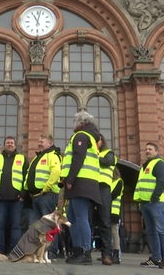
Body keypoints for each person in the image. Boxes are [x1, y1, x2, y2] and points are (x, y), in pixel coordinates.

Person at [59, 111, 101, 265]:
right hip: (84, 182)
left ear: (81, 122)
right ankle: (77, 250)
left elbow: (78, 157)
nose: (73, 123)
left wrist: (70, 179)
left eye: (74, 120)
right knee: (72, 217)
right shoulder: (89, 137)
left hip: (81, 182)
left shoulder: (81, 136)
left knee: (81, 217)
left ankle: (84, 250)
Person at [133, 142, 164, 269]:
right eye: (146, 149)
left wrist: (155, 197)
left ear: (156, 151)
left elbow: (162, 181)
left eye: (150, 149)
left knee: (162, 230)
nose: (147, 151)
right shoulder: (145, 166)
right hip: (145, 203)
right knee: (151, 232)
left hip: (156, 202)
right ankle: (156, 258)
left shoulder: (160, 163)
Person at [24, 134, 62, 259]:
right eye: (38, 141)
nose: (39, 143)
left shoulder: (52, 155)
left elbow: (56, 172)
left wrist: (46, 188)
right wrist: (26, 188)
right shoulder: (38, 157)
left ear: (50, 143)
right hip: (35, 196)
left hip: (47, 195)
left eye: (42, 141)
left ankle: (51, 252)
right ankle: (38, 252)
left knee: (50, 226)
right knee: (37, 226)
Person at [0, 136, 28, 256]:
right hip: (0, 197)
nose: (10, 145)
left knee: (16, 226)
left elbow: (26, 177)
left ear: (15, 145)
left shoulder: (21, 158)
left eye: (12, 143)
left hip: (17, 198)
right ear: (4, 145)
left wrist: (23, 193)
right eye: (7, 143)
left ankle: (14, 250)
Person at [94, 134, 116, 265]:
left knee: (105, 222)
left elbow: (106, 162)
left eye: (97, 140)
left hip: (103, 189)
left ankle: (107, 254)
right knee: (88, 221)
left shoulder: (109, 153)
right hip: (90, 187)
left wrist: (95, 155)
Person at [110, 168, 124, 264]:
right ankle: (110, 253)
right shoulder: (110, 182)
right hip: (108, 211)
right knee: (109, 233)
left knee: (114, 233)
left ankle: (117, 255)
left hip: (114, 211)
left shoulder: (119, 181)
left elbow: (114, 194)